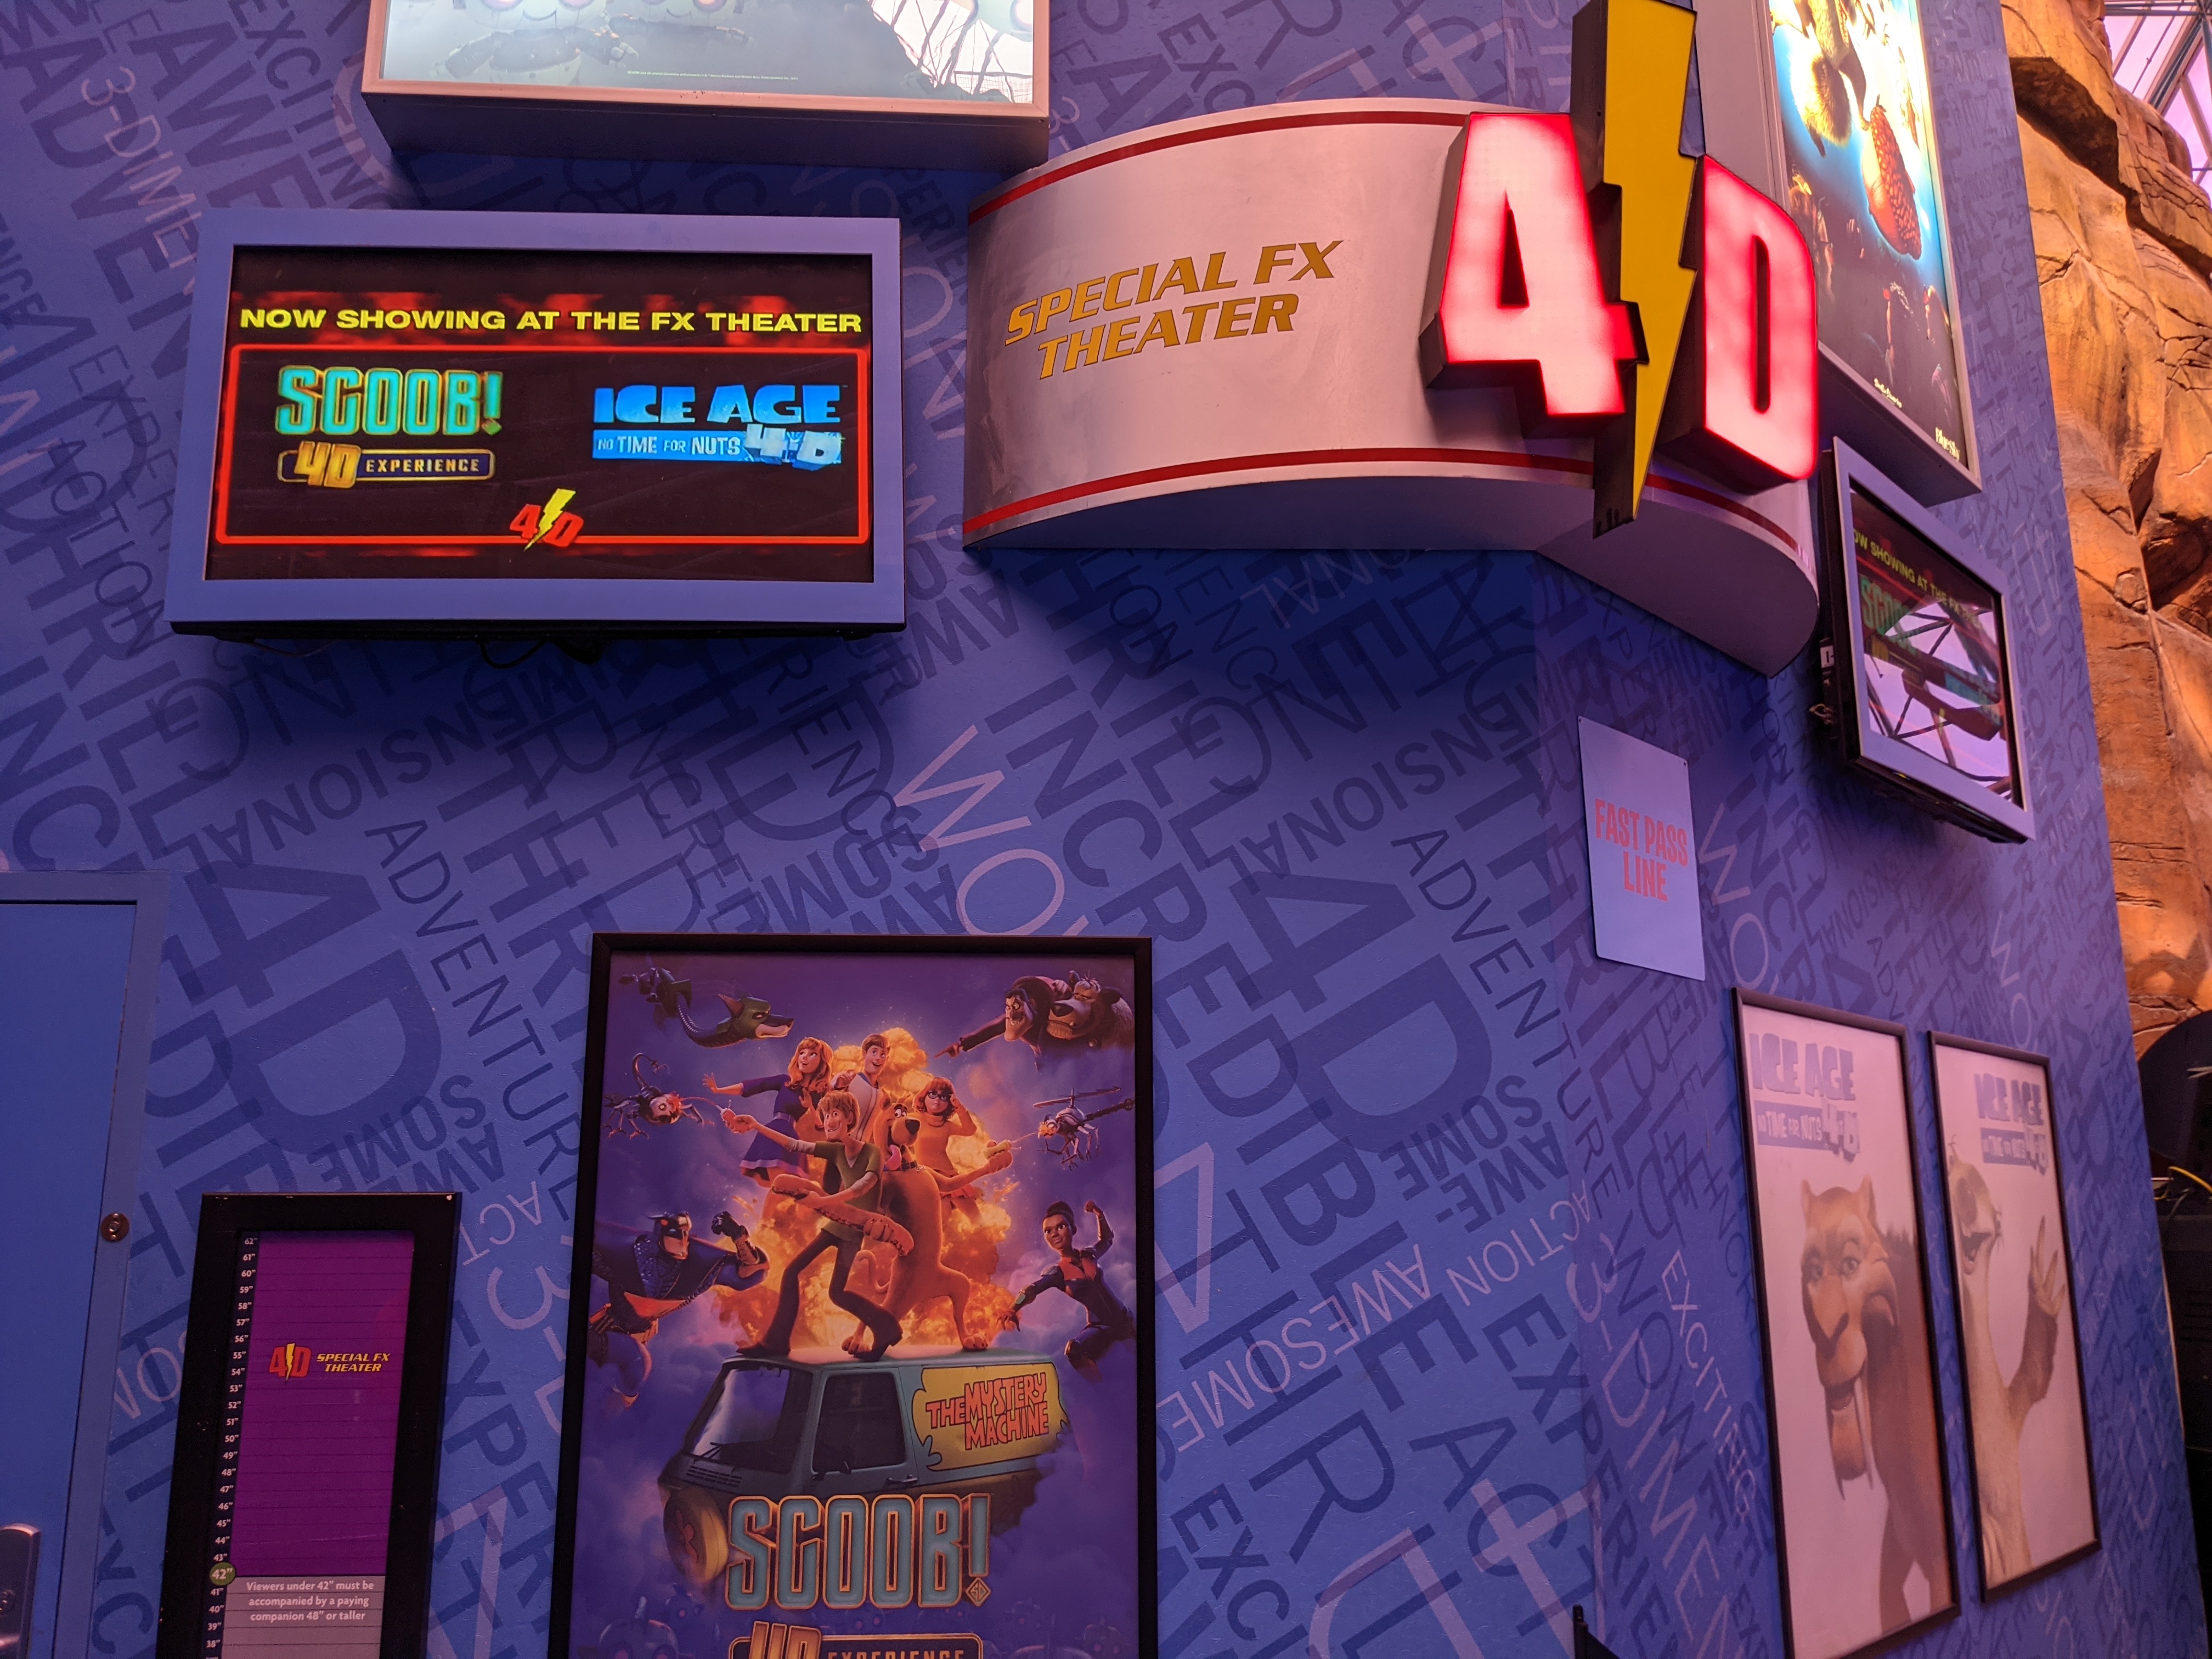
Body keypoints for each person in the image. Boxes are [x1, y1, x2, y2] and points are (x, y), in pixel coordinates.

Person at [724, 1091, 906, 1360]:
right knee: (791, 1273)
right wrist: (757, 1125)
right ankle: (776, 1343)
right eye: (825, 1115)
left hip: (853, 1229)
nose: (829, 1121)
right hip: (836, 1224)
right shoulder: (836, 1151)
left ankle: (887, 1327)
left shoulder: (872, 1153)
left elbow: (863, 1187)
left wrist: (824, 1202)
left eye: (835, 1114)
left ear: (850, 1118)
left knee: (837, 1294)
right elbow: (795, 1145)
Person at [586, 1211, 769, 1404]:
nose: (683, 1240)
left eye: (685, 1233)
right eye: (676, 1233)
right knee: (636, 1363)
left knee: (633, 1376)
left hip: (634, 1340)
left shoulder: (698, 1265)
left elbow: (753, 1272)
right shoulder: (629, 1251)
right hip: (603, 1332)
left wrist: (739, 1236)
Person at [1001, 1199, 1133, 1381]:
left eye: (1061, 1227)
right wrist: (1014, 1308)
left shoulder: (1089, 1255)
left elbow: (1107, 1240)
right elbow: (1032, 1289)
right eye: (1048, 1231)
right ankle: (1098, 1387)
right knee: (1073, 1351)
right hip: (1101, 1327)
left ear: (1073, 1229)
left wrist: (1099, 1214)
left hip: (1125, 1318)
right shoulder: (1057, 1272)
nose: (1055, 1233)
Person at [705, 1036, 834, 1183]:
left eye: (813, 1054)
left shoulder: (818, 1093)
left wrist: (810, 1105)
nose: (805, 1057)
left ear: (822, 1062)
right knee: (773, 1181)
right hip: (774, 1130)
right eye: (802, 1052)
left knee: (785, 1184)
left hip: (790, 1135)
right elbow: (754, 1086)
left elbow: (820, 1125)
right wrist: (719, 1090)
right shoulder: (785, 1082)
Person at [833, 1032, 893, 1136]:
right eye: (874, 1052)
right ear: (864, 1054)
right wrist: (837, 1088)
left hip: (863, 1145)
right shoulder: (848, 1079)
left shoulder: (882, 1095)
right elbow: (825, 1101)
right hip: (839, 1143)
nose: (878, 1058)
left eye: (883, 1055)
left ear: (886, 1059)